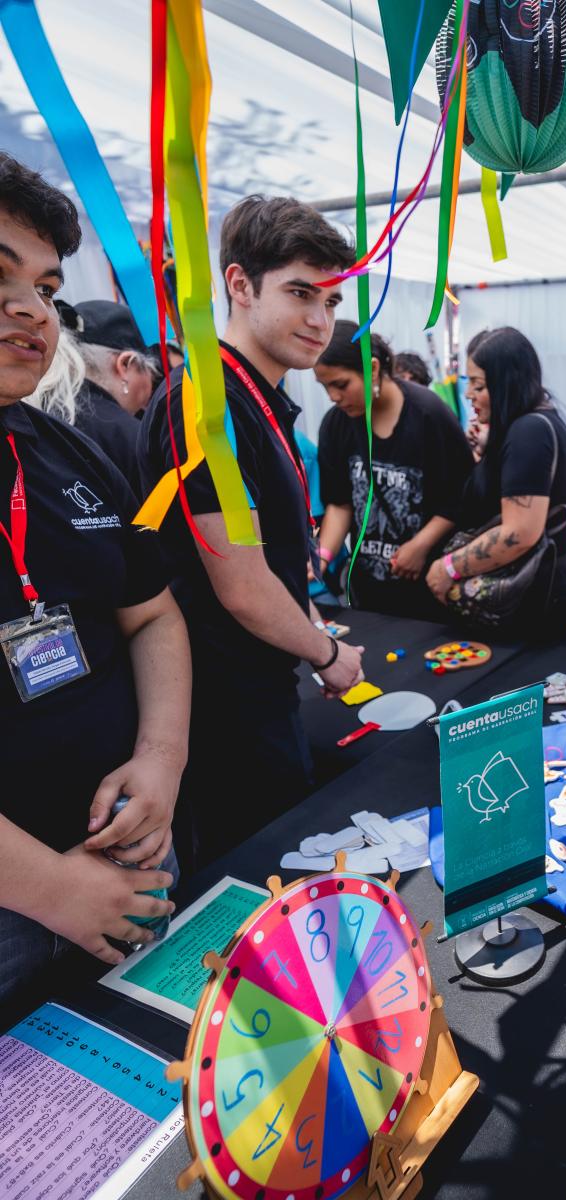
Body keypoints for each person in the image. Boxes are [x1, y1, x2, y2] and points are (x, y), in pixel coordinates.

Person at [0, 154, 188, 999]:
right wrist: (56, 890)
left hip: (131, 853)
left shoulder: (67, 447)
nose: (28, 308)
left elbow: (151, 615)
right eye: (1, 277)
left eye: (46, 287)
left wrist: (161, 759)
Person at [138, 194, 365, 864]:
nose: (321, 320)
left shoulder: (250, 393)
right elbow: (238, 583)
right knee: (264, 877)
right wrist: (326, 655)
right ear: (238, 284)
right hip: (224, 704)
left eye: (331, 302)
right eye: (301, 294)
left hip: (254, 685)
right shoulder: (204, 402)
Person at [426, 326, 566, 641]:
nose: (468, 393)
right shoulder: (530, 424)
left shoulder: (529, 432)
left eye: (478, 384)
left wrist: (449, 568)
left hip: (532, 593)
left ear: (506, 384)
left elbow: (519, 532)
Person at [315, 321, 473, 619]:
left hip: (429, 595)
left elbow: (460, 497)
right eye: (324, 387)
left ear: (372, 369)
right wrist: (322, 557)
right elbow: (339, 503)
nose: (333, 397)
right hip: (368, 594)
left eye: (340, 384)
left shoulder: (430, 414)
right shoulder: (336, 424)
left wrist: (421, 545)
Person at [59, 299, 159, 492]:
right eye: (152, 374)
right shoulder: (133, 437)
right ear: (125, 365)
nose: (151, 393)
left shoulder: (38, 414)